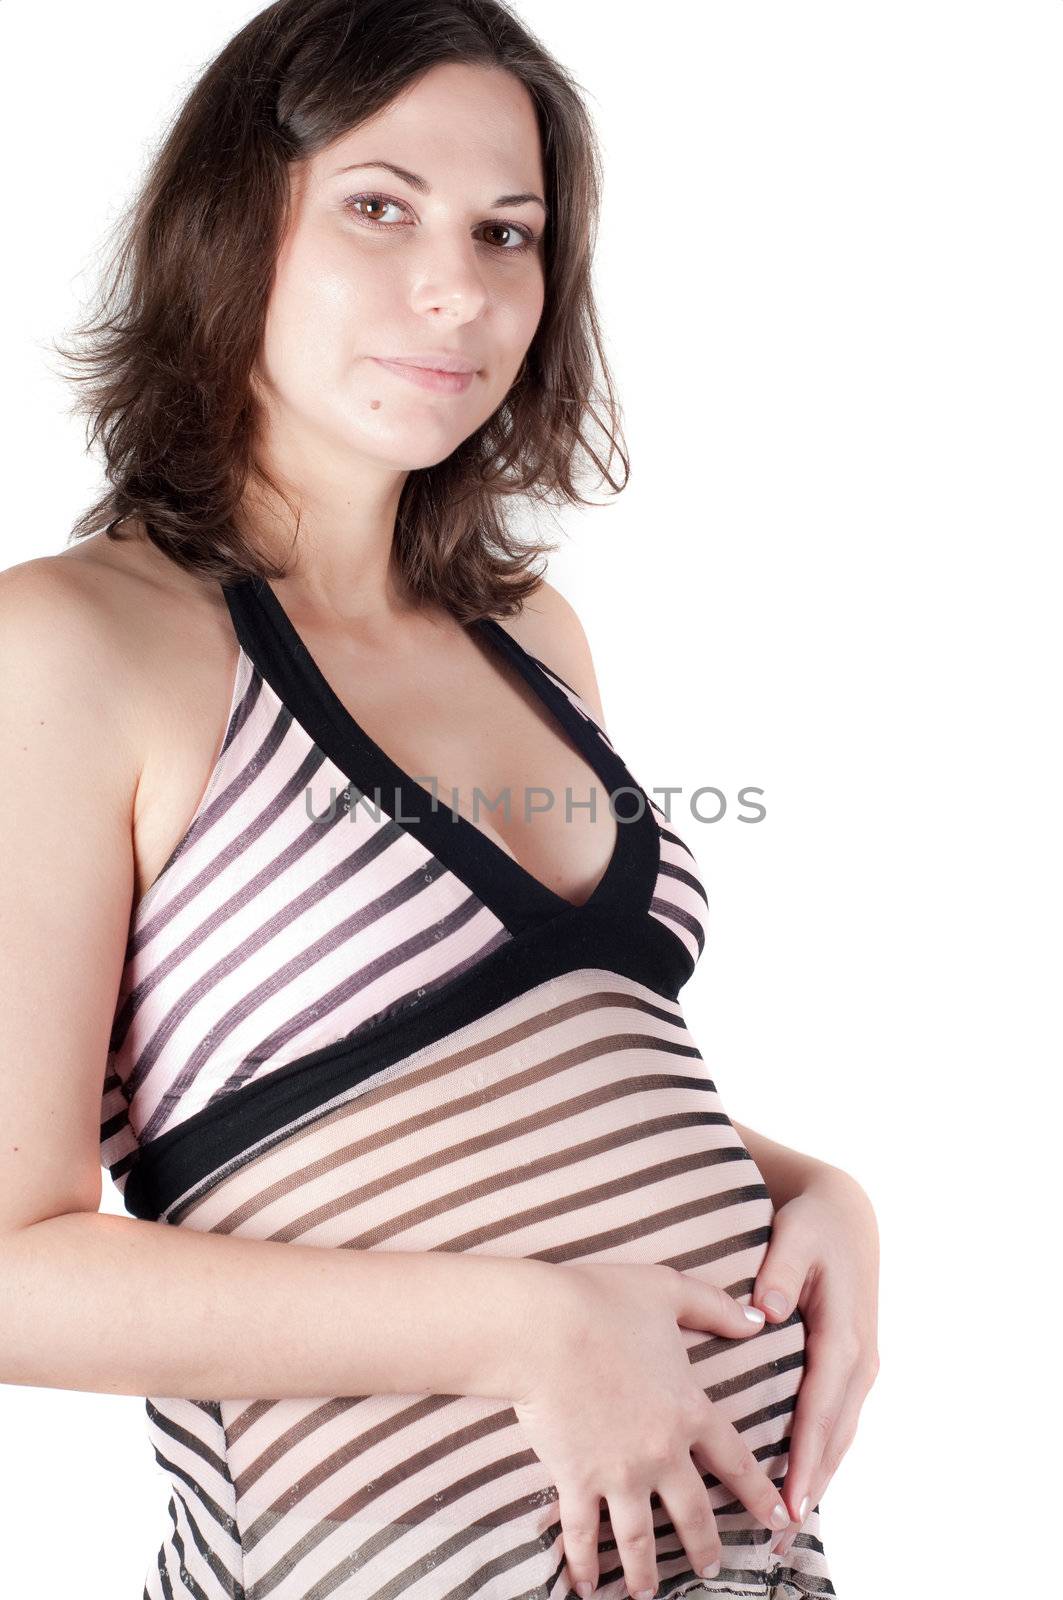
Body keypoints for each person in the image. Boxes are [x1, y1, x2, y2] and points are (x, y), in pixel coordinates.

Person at [0, 2, 880, 1596]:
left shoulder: (532, 636)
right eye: (379, 205)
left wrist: (812, 1189)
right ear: (229, 223)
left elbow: (439, 1074)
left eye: (509, 230)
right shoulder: (71, 648)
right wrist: (523, 1332)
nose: (458, 287)